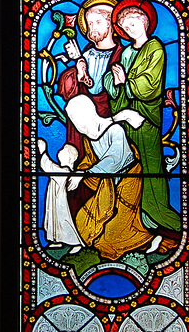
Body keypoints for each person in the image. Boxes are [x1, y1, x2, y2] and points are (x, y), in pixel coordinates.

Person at [102, 0, 182, 241]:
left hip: (146, 120)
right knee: (129, 169)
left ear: (145, 22)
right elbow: (112, 84)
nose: (129, 29)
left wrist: (126, 82)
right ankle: (133, 224)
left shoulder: (155, 48)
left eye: (133, 24)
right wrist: (114, 81)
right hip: (126, 120)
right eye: (125, 28)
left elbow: (150, 86)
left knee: (150, 168)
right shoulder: (125, 52)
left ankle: (159, 219)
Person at [64, 94, 157, 261]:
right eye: (74, 121)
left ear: (88, 114)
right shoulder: (89, 139)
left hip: (128, 179)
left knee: (113, 234)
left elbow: (114, 160)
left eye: (77, 120)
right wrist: (75, 172)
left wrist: (85, 174)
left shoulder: (115, 130)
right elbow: (90, 161)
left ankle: (152, 239)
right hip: (108, 184)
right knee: (83, 221)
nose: (78, 126)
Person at [57, 0, 123, 156]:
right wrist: (78, 69)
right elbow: (81, 87)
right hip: (82, 123)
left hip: (110, 120)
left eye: (98, 22)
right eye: (90, 23)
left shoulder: (122, 54)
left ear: (111, 25)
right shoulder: (86, 52)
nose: (92, 27)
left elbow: (106, 90)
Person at [38, 138, 83, 252]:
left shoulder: (65, 172)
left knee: (63, 220)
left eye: (64, 150)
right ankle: (55, 240)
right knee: (53, 218)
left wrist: (42, 151)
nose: (60, 151)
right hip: (54, 201)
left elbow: (47, 167)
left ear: (71, 158)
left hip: (60, 204)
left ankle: (76, 243)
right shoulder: (62, 170)